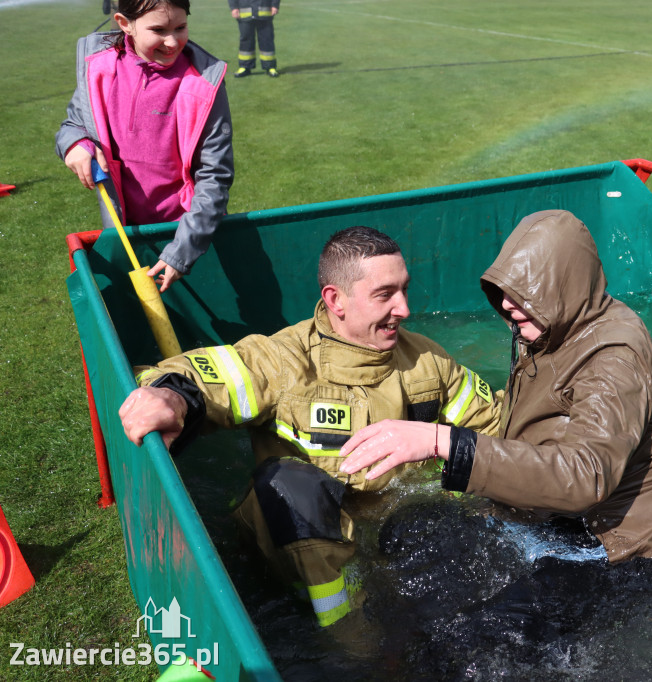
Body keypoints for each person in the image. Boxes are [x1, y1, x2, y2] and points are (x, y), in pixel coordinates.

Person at [118, 226, 503, 627]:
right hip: (306, 553)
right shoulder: (285, 362)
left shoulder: (428, 360)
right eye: (385, 294)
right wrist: (173, 397)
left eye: (404, 289)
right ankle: (349, 637)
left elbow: (493, 428)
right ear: (336, 300)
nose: (404, 308)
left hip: (401, 532)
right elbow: (201, 375)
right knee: (288, 483)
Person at [340, 209, 652, 572]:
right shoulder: (554, 328)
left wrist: (443, 442)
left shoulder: (614, 357)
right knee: (412, 530)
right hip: (568, 526)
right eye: (506, 290)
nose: (507, 304)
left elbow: (587, 475)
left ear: (564, 288)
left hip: (640, 558)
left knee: (480, 610)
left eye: (523, 293)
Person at [56, 0, 233, 292]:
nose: (172, 41)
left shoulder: (204, 82)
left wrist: (184, 248)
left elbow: (215, 175)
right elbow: (73, 124)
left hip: (186, 234)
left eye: (180, 27)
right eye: (158, 30)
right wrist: (73, 143)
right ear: (125, 24)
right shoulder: (100, 68)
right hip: (124, 231)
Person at [228, 0, 280, 78]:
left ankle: (270, 66)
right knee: (246, 40)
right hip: (245, 12)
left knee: (267, 40)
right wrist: (234, 7)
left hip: (264, 11)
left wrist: (275, 5)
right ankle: (245, 67)